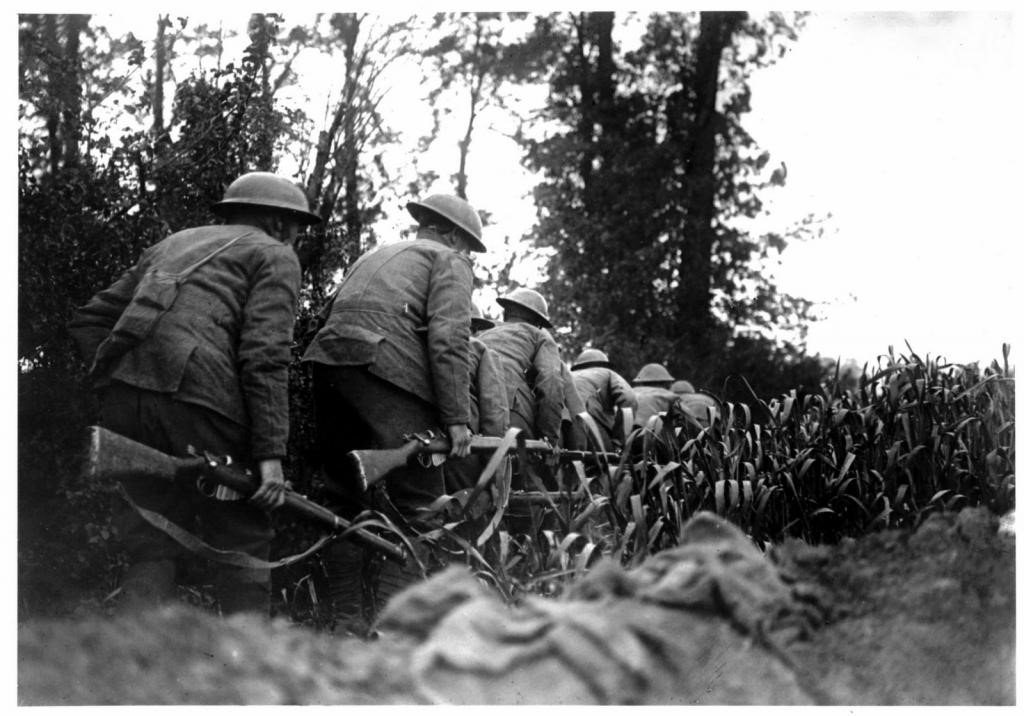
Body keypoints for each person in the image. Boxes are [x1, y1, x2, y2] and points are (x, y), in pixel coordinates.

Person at [68, 171, 319, 615]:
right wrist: (270, 459)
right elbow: (264, 357)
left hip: (128, 405)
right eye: (298, 228)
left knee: (152, 540)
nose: (297, 239)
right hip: (204, 403)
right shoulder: (275, 254)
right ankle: (250, 671)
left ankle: (126, 673)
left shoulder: (173, 244)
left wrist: (114, 380)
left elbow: (89, 318)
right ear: (279, 223)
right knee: (245, 532)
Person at [301, 193, 484, 632]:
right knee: (422, 505)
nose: (465, 254)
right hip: (387, 371)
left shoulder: (376, 254)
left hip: (328, 365)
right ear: (454, 235)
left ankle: (346, 624)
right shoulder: (450, 261)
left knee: (339, 500)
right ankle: (392, 632)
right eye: (467, 246)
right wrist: (457, 419)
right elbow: (449, 339)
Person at [570, 348, 638, 450]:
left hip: (563, 425)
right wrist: (619, 441)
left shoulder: (569, 375)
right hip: (589, 422)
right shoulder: (608, 373)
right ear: (605, 364)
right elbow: (629, 399)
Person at [631, 363, 683, 430]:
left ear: (640, 382)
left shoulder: (630, 392)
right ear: (664, 383)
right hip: (650, 434)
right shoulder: (669, 396)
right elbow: (680, 419)